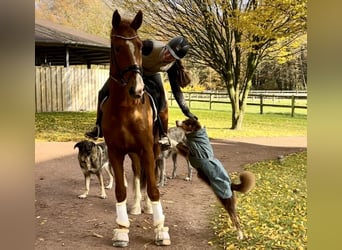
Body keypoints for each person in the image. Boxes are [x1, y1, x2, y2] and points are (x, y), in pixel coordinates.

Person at [85, 36, 197, 147]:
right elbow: (132, 46)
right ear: (166, 46)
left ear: (176, 60)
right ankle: (98, 127)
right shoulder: (150, 46)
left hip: (152, 75)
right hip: (134, 72)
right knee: (102, 92)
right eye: (168, 51)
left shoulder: (172, 66)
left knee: (162, 100)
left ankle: (163, 134)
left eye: (172, 57)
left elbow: (176, 89)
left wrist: (186, 110)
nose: (167, 56)